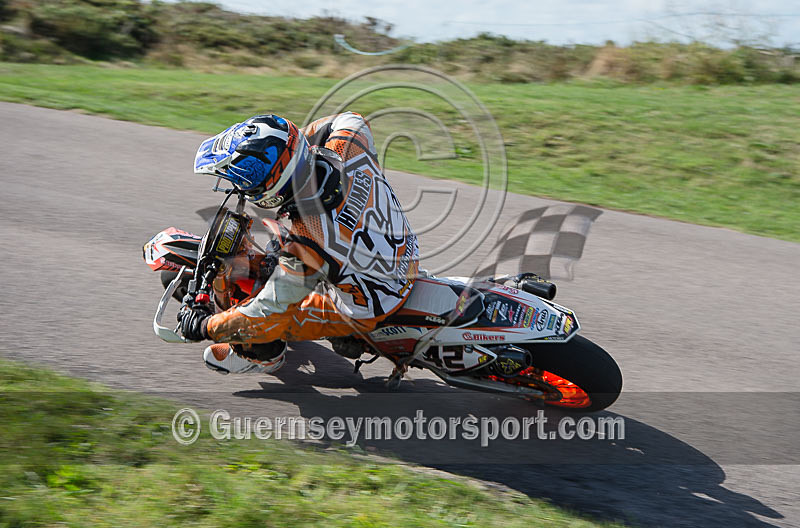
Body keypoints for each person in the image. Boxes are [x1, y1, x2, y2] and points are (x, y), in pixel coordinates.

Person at [178, 112, 419, 374]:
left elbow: (266, 309)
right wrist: (292, 148)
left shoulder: (310, 239)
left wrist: (206, 326)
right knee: (275, 248)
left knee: (259, 321)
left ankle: (261, 357)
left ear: (270, 191)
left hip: (370, 304)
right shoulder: (347, 148)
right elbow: (352, 118)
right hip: (402, 253)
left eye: (247, 184)